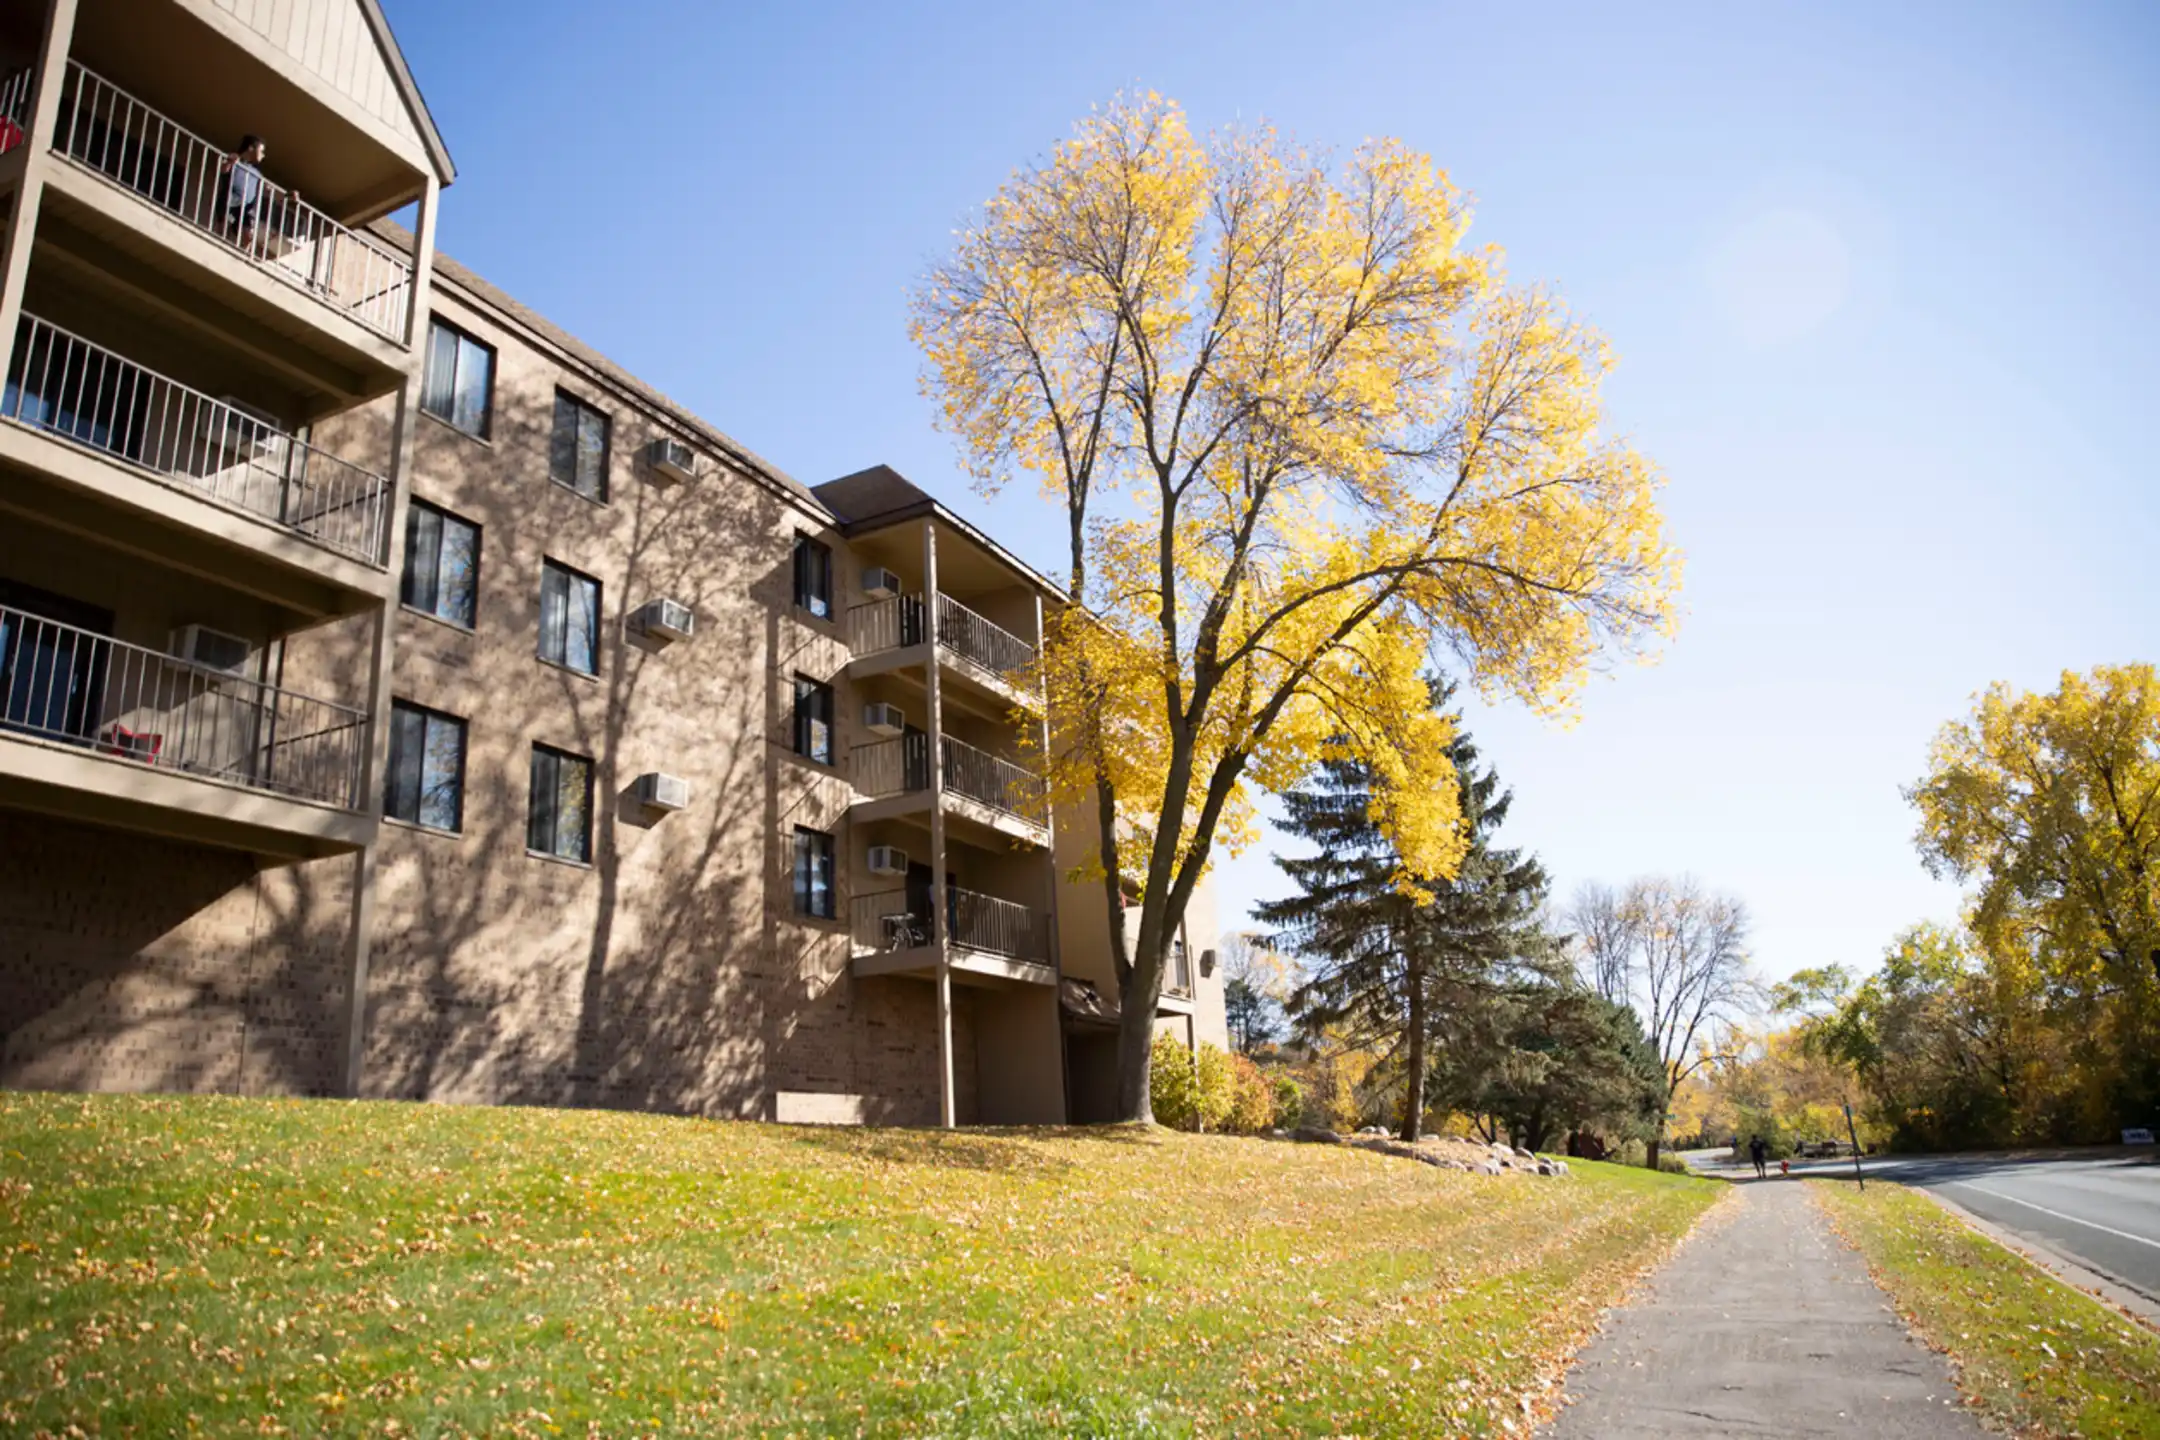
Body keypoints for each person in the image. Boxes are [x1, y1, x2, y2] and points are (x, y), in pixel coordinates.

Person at [222, 134, 268, 253]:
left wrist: (287, 196)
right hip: (230, 201)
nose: (263, 155)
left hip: (245, 207)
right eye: (261, 151)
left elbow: (270, 190)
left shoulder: (257, 174)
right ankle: (219, 247)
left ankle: (241, 255)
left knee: (249, 236)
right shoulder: (235, 159)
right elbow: (223, 170)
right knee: (224, 226)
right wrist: (230, 162)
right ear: (251, 148)